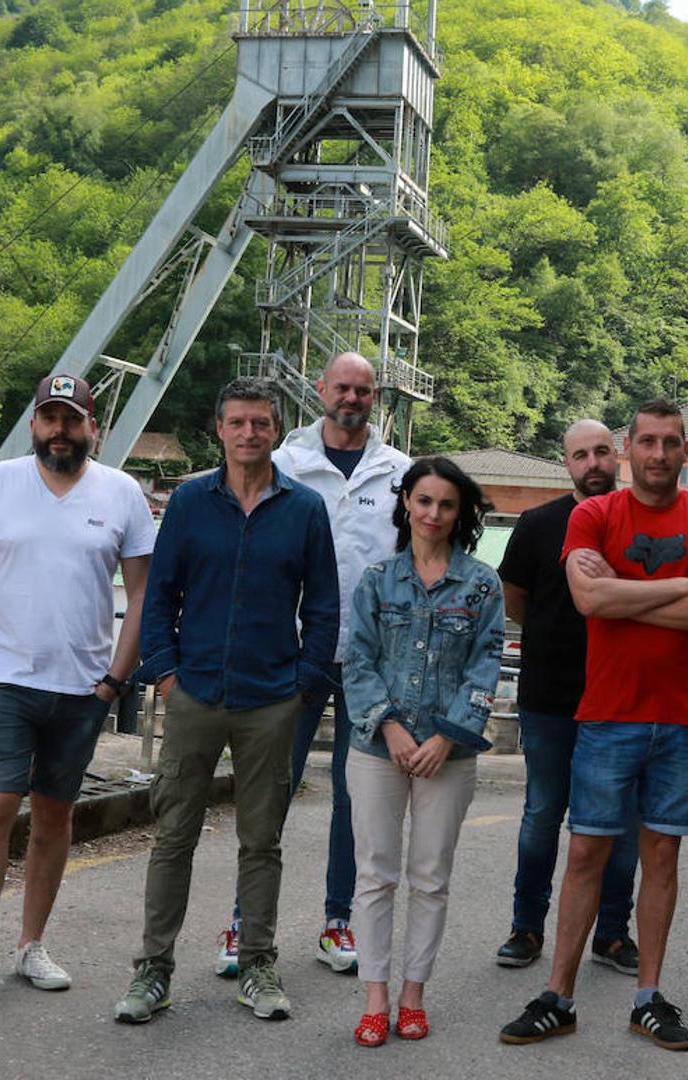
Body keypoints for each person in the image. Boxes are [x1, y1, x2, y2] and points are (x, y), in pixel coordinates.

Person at [499, 400, 688, 1053]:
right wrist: (679, 587)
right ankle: (558, 997)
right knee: (584, 853)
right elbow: (586, 600)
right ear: (628, 449)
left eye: (670, 444)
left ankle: (648, 999)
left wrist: (627, 602)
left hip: (680, 718)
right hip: (605, 714)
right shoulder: (593, 514)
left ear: (685, 450)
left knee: (661, 856)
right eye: (647, 443)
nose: (658, 455)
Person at [114, 377, 339, 1025]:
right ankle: (152, 971)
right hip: (195, 694)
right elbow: (159, 597)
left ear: (276, 431)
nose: (248, 433)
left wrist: (303, 687)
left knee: (261, 840)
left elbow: (323, 606)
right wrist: (164, 676)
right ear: (220, 429)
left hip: (273, 699)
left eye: (260, 423)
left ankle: (258, 966)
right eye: (237, 422)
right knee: (172, 837)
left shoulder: (303, 509)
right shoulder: (188, 503)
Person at [0, 373, 156, 1015]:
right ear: (34, 423)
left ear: (94, 426)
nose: (59, 430)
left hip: (82, 686)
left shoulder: (123, 494)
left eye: (72, 419)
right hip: (7, 677)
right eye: (48, 418)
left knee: (56, 815)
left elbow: (142, 592)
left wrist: (115, 679)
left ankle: (30, 944)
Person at [204, 351, 407, 978]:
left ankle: (337, 920)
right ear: (320, 389)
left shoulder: (400, 472)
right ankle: (244, 923)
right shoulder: (284, 463)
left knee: (358, 799)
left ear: (377, 398)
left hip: (371, 662)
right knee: (271, 793)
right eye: (342, 387)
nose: (352, 398)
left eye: (364, 390)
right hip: (290, 659)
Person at [342, 456, 504, 1047]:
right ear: (406, 503)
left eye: (447, 504)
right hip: (376, 746)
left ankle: (414, 994)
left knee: (431, 877)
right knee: (375, 874)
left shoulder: (482, 584)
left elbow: (487, 665)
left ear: (461, 513)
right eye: (424, 501)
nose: (433, 514)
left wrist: (448, 735)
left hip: (449, 753)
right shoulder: (377, 580)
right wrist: (389, 727)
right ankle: (375, 995)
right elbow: (357, 660)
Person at [496, 419, 641, 973]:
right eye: (581, 455)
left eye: (602, 451)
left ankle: (611, 933)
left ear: (618, 454)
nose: (594, 463)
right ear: (568, 465)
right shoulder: (537, 524)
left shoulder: (639, 521)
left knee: (620, 823)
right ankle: (526, 928)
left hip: (622, 699)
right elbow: (517, 600)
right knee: (542, 815)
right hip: (550, 697)